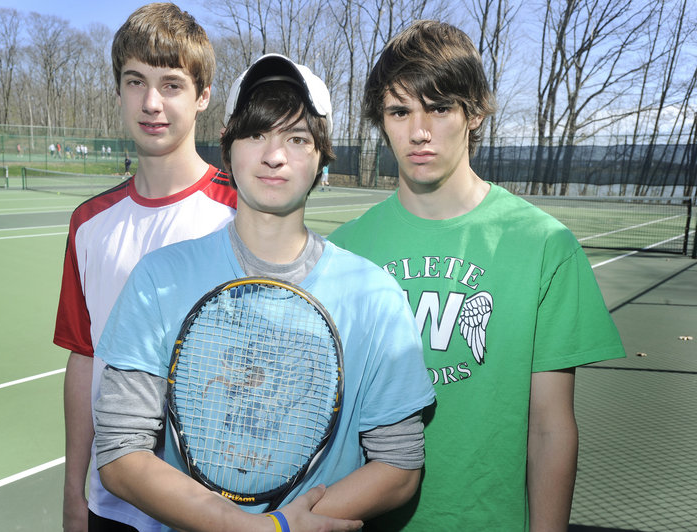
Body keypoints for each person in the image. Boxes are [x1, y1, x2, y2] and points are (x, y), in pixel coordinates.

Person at [93, 53, 435, 532]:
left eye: (297, 138)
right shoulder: (158, 277)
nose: (274, 156)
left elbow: (398, 468)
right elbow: (120, 452)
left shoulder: (375, 296)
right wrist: (253, 528)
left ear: (322, 159)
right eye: (256, 134)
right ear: (228, 148)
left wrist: (282, 528)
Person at [328, 20, 626, 532]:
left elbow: (550, 429)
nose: (419, 131)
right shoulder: (342, 252)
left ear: (475, 112)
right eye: (399, 111)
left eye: (439, 107)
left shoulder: (545, 246)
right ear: (382, 121)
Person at [53, 4, 237, 532]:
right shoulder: (88, 222)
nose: (151, 103)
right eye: (136, 81)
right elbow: (84, 362)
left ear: (202, 96)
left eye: (172, 84)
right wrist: (73, 496)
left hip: (215, 503)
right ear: (118, 90)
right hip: (111, 504)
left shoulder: (243, 213)